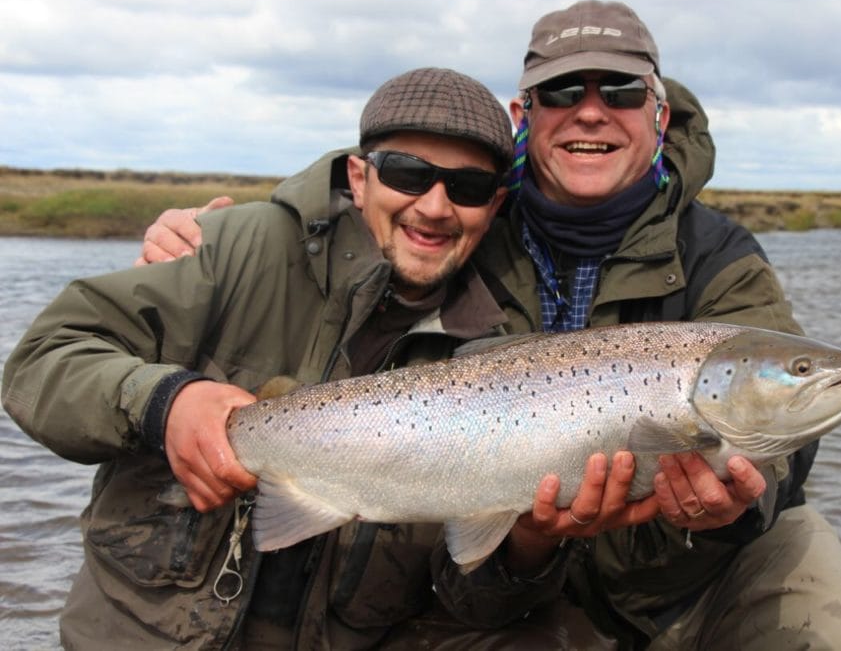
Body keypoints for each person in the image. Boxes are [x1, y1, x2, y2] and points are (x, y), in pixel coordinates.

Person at [135, 1, 841, 650]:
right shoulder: (460, 220)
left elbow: (783, 448)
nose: (590, 111)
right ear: (523, 115)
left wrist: (740, 499)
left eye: (620, 92)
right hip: (504, 578)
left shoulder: (719, 257)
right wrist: (209, 241)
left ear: (660, 111)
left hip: (681, 574)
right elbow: (354, 199)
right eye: (562, 91)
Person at [2, 67, 627, 650]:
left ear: (492, 207)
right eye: (407, 174)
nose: (435, 207)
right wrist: (165, 403)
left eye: (466, 187)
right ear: (359, 177)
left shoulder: (500, 350)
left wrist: (531, 541)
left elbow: (469, 605)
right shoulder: (230, 247)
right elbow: (40, 362)